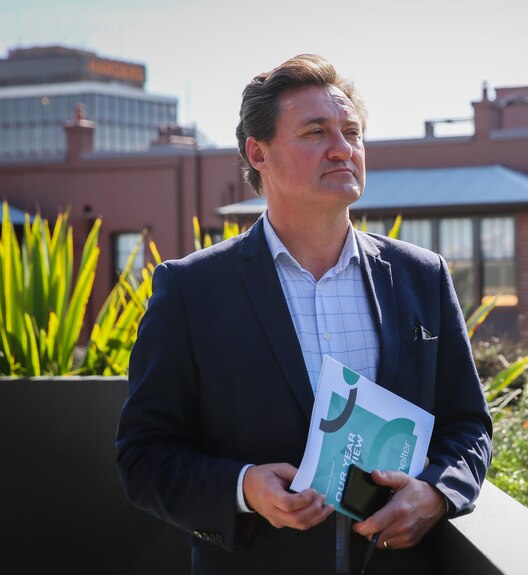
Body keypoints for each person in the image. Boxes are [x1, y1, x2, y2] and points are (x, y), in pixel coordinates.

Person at [115, 54, 493, 574]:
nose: (343, 149)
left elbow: (469, 424)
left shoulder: (422, 276)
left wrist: (436, 493)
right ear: (258, 152)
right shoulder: (191, 289)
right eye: (315, 132)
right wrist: (244, 486)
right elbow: (144, 456)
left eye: (352, 132)